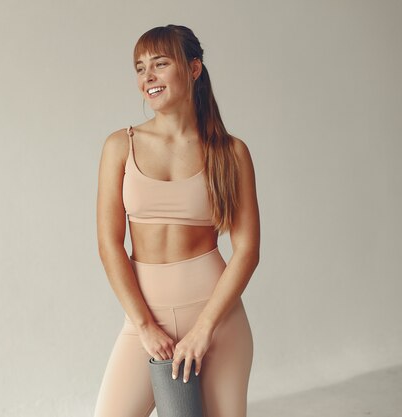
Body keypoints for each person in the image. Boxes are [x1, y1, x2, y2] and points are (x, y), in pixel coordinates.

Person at [94, 24, 260, 417]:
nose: (147, 77)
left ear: (194, 68)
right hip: (145, 320)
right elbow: (109, 244)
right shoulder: (121, 145)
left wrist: (204, 329)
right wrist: (144, 325)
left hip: (217, 321)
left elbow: (247, 250)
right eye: (140, 68)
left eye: (160, 63)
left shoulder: (230, 152)